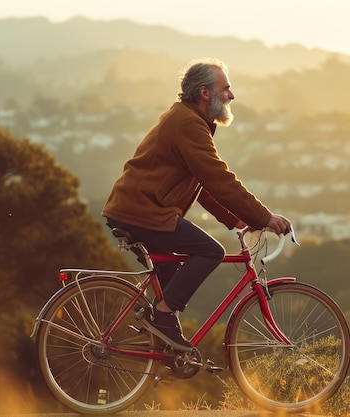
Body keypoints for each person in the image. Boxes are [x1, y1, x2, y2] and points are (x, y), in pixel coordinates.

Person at [102, 57, 291, 351]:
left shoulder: (187, 118)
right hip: (144, 212)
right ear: (205, 93)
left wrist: (237, 220)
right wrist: (264, 216)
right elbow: (218, 178)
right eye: (225, 88)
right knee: (210, 251)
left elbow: (201, 186)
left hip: (136, 209)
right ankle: (162, 317)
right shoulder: (188, 124)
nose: (231, 95)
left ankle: (165, 350)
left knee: (170, 276)